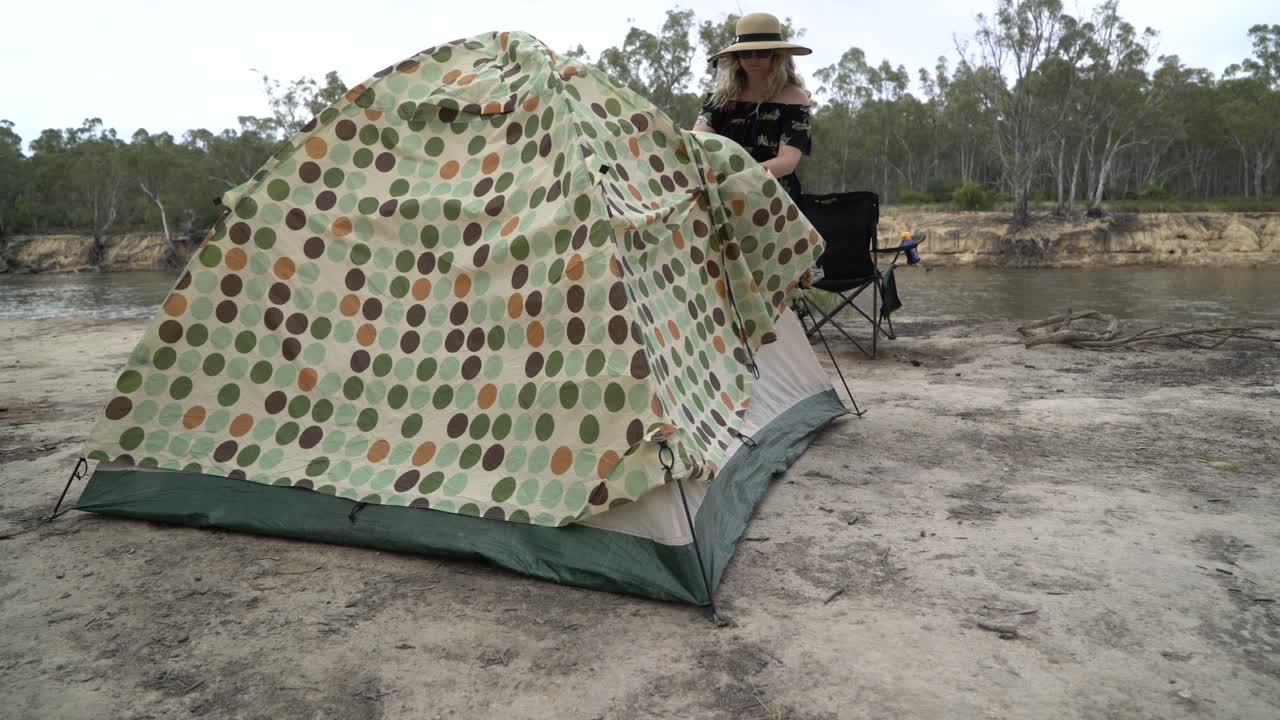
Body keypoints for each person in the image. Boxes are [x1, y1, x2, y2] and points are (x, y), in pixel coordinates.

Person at [693, 12, 813, 202]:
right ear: (737, 57)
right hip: (721, 195)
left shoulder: (795, 99)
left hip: (774, 198)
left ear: (776, 55)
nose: (753, 58)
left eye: (763, 52)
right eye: (746, 53)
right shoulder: (719, 98)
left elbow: (787, 161)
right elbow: (695, 142)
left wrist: (737, 180)